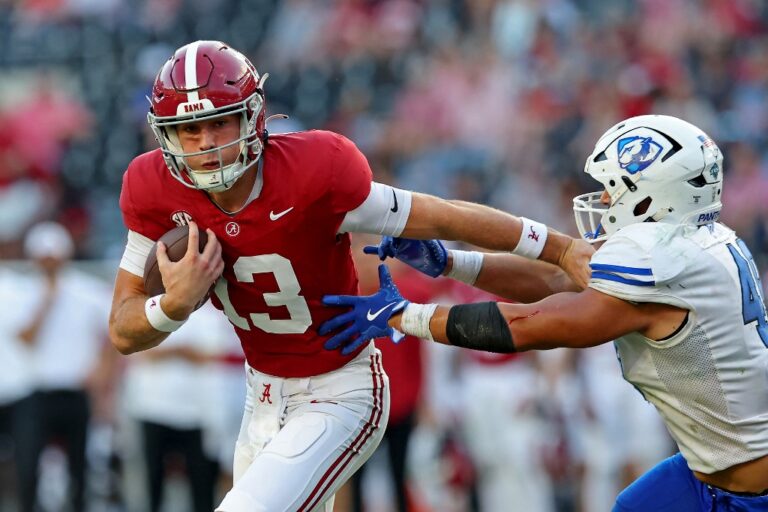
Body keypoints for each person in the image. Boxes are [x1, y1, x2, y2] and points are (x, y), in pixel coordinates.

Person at [108, 40, 592, 512]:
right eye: (190, 129)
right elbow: (123, 329)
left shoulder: (315, 173)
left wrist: (561, 247)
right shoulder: (153, 189)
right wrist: (172, 306)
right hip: (262, 397)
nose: (207, 143)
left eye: (219, 122)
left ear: (252, 117)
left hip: (341, 389)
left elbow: (445, 217)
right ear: (165, 135)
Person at [321, 115, 768, 511]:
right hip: (707, 470)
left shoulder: (660, 255)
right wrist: (451, 263)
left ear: (655, 197)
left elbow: (530, 326)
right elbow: (557, 279)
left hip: (750, 486)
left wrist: (405, 316)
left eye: (614, 189)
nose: (604, 201)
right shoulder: (702, 241)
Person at [14, 221, 113, 512]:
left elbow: (111, 336)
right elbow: (24, 338)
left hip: (75, 389)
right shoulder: (21, 292)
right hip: (35, 391)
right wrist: (47, 301)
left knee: (79, 468)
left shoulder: (87, 291)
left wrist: (101, 373)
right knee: (28, 466)